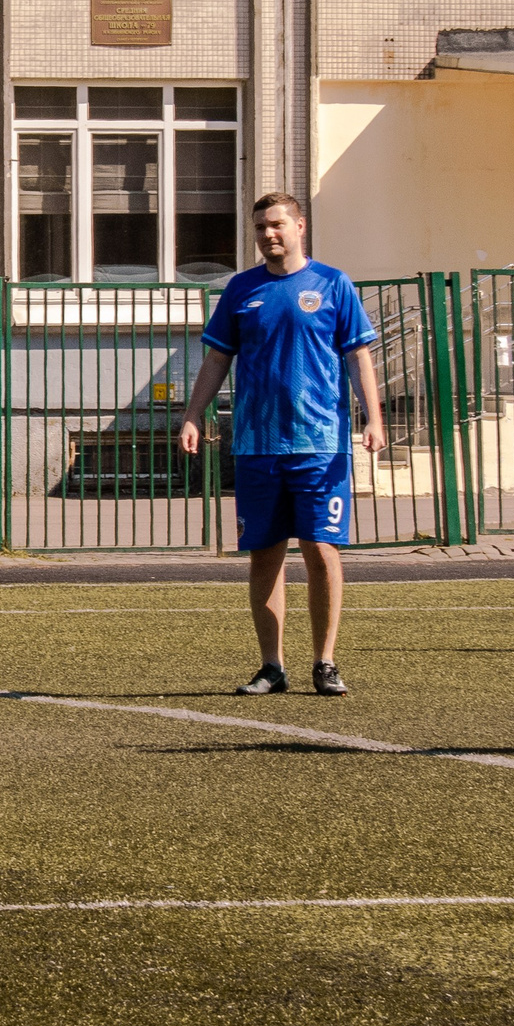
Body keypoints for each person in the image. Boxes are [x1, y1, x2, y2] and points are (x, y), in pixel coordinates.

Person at [176, 192, 385, 698]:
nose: (268, 235)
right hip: (257, 444)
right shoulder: (241, 289)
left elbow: (358, 358)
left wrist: (373, 418)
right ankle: (272, 666)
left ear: (299, 226)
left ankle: (326, 662)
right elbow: (216, 359)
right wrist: (192, 414)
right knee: (264, 554)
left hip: (321, 443)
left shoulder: (333, 283)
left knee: (320, 548)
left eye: (276, 225)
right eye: (260, 228)